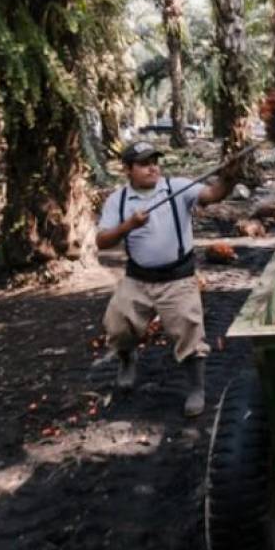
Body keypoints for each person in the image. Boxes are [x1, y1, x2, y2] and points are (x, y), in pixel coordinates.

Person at [96, 141, 232, 417]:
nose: (152, 167)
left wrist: (229, 177)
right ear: (127, 170)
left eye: (155, 161)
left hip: (177, 278)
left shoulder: (177, 188)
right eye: (144, 163)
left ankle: (196, 388)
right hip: (138, 279)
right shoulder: (118, 200)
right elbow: (102, 241)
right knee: (117, 325)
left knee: (189, 331)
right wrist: (129, 225)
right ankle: (128, 359)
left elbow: (213, 194)